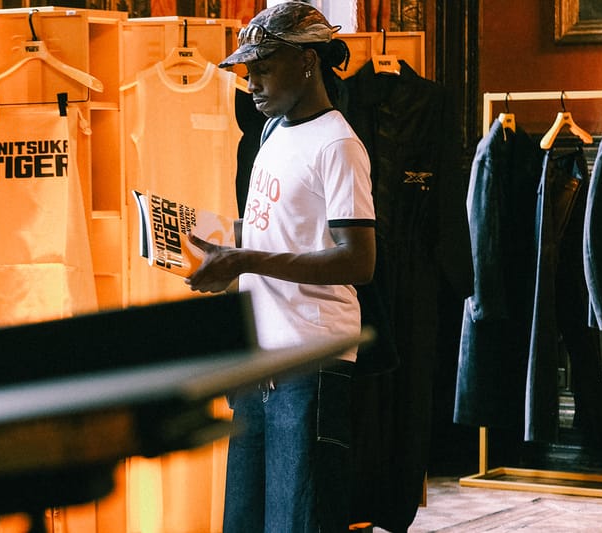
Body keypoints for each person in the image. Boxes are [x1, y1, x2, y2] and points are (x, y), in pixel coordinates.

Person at [184, 2, 376, 531]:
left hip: (311, 361)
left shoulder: (338, 144)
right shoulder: (273, 132)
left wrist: (245, 259)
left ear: (308, 62)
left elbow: (359, 259)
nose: (252, 84)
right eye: (249, 72)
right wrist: (213, 245)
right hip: (261, 357)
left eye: (263, 69)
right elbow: (277, 230)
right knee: (244, 520)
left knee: (300, 521)